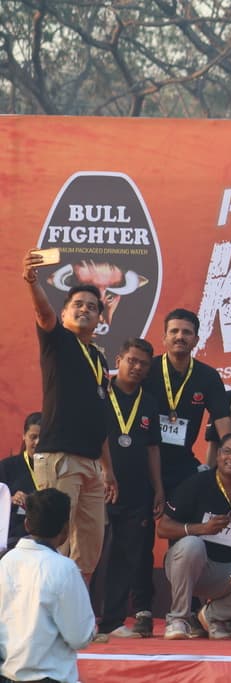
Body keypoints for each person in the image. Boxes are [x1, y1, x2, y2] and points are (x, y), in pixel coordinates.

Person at [24, 250, 117, 582]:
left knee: (88, 549)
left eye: (92, 307)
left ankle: (77, 610)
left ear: (100, 319)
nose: (85, 309)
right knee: (55, 543)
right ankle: (44, 607)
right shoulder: (58, 340)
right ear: (64, 313)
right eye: (78, 304)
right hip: (59, 457)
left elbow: (99, 418)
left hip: (92, 464)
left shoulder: (99, 360)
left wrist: (108, 469)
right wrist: (32, 282)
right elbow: (42, 311)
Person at [156, 432, 231, 639]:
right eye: (227, 452)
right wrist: (201, 529)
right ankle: (178, 619)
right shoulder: (197, 483)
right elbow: (163, 527)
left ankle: (211, 616)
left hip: (227, 574)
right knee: (192, 545)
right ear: (218, 455)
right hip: (189, 566)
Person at [94, 338, 164, 641]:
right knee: (92, 553)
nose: (136, 367)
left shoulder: (149, 402)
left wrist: (158, 488)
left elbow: (153, 448)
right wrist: (105, 472)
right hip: (99, 486)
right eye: (131, 360)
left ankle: (112, 621)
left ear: (148, 370)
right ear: (118, 360)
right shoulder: (100, 394)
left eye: (143, 364)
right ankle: (82, 618)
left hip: (136, 491)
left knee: (126, 555)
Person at [0, 489, 95, 683]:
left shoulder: (5, 562)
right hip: (50, 677)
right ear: (66, 529)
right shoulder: (65, 568)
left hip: (7, 674)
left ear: (27, 524)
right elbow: (79, 637)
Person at [142, 308, 231, 497]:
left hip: (182, 465)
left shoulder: (208, 376)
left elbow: (223, 423)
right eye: (174, 331)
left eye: (186, 332)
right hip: (143, 460)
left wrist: (230, 457)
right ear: (164, 338)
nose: (180, 337)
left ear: (196, 340)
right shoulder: (147, 369)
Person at [0, 413, 42, 548]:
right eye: (33, 437)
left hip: (45, 538)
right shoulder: (7, 466)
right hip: (13, 538)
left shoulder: (55, 468)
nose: (37, 442)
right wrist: (10, 499)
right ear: (24, 436)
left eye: (42, 437)